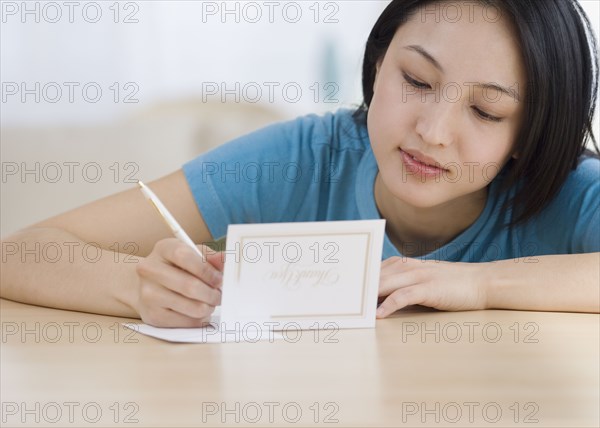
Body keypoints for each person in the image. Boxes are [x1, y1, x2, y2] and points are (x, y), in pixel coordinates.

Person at [1, 0, 598, 327]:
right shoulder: (302, 160)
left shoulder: (569, 192)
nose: (433, 132)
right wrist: (136, 286)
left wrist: (482, 285)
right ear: (377, 63)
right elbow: (19, 251)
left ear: (531, 132)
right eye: (416, 80)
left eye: (487, 111)